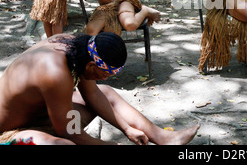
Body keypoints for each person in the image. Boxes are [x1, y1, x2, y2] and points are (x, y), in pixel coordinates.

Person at [0, 32, 199, 145]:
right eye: (103, 74)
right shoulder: (54, 74)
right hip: (8, 131)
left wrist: (128, 129)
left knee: (106, 93)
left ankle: (164, 138)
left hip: (41, 114)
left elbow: (92, 93)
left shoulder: (79, 50)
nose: (104, 78)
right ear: (90, 66)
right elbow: (70, 132)